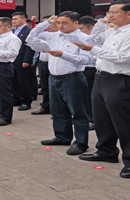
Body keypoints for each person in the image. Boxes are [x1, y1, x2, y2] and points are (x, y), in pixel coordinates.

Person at [73, 0, 130, 179]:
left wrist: (93, 50)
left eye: (114, 12)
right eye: (109, 12)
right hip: (102, 77)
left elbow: (124, 58)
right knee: (102, 119)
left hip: (122, 80)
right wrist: (102, 25)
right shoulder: (113, 31)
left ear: (129, 13)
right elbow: (95, 38)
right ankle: (106, 151)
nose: (110, 16)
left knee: (125, 123)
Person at [28, 12, 93, 155]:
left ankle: (81, 143)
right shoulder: (54, 35)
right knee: (58, 110)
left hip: (73, 78)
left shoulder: (84, 38)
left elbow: (87, 60)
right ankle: (62, 136)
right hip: (54, 78)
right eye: (58, 22)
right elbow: (31, 36)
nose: (60, 25)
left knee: (78, 112)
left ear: (76, 23)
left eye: (64, 23)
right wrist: (46, 23)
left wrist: (64, 55)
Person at [30, 16, 57, 115]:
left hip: (53, 64)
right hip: (43, 63)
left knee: (54, 89)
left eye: (50, 24)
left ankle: (56, 109)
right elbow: (33, 33)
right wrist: (46, 23)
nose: (48, 27)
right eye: (46, 24)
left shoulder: (60, 36)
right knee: (45, 88)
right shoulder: (45, 35)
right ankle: (46, 106)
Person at [11, 12, 36, 110]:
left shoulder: (29, 31)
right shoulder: (13, 31)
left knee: (24, 82)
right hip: (13, 59)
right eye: (13, 19)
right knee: (14, 81)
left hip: (22, 60)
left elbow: (30, 47)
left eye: (16, 19)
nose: (13, 21)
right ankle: (16, 99)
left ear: (24, 20)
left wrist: (27, 60)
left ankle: (26, 102)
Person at [78, 16, 98, 130]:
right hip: (81, 69)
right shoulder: (79, 39)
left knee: (90, 95)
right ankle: (84, 117)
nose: (79, 32)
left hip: (91, 69)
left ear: (91, 28)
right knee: (82, 95)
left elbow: (96, 56)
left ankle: (92, 119)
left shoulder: (94, 39)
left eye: (81, 29)